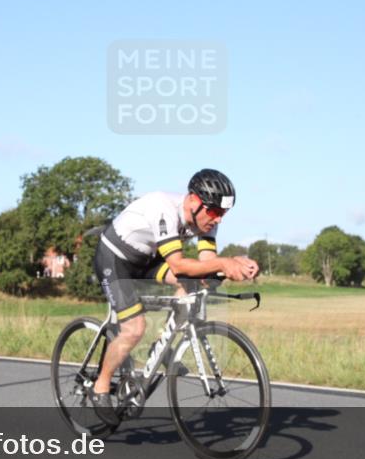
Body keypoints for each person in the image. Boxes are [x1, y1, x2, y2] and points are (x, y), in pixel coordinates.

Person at [90, 169, 260, 424]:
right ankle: (100, 387)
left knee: (194, 283)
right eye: (214, 211)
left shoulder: (208, 222)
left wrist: (236, 265)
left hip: (147, 260)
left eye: (223, 213)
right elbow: (179, 265)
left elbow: (207, 264)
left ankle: (162, 344)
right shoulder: (164, 209)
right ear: (193, 200)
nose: (218, 219)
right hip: (115, 258)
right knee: (134, 328)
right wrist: (224, 264)